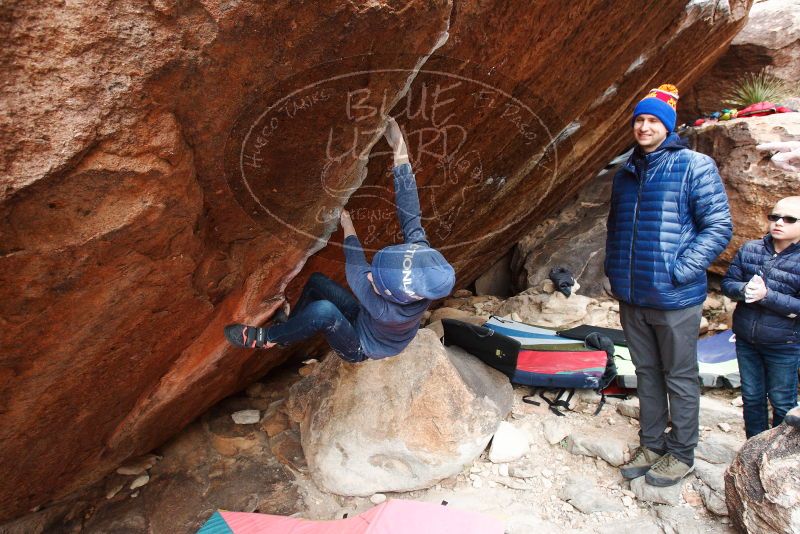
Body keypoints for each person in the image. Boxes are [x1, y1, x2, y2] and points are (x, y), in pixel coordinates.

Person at [224, 118, 455, 362]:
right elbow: (409, 209)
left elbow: (356, 267)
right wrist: (399, 148)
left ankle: (268, 338)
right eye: (374, 272)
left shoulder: (387, 311)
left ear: (397, 296)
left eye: (376, 283)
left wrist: (348, 225)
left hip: (361, 345)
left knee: (324, 311)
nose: (370, 277)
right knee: (316, 282)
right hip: (365, 318)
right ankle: (288, 329)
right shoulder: (421, 259)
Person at [605, 84, 733, 487]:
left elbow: (719, 226)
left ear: (668, 126)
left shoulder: (694, 165)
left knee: (679, 375)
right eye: (639, 120)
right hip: (632, 294)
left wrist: (682, 269)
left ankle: (681, 453)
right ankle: (652, 444)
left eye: (652, 121)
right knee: (645, 372)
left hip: (675, 295)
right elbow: (615, 230)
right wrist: (613, 272)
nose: (644, 127)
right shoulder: (625, 173)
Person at [721, 196, 800, 437]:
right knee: (752, 398)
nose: (779, 223)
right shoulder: (750, 249)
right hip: (746, 339)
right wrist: (743, 290)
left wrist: (767, 296)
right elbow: (727, 283)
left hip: (784, 344)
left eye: (789, 219)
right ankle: (751, 450)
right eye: (774, 217)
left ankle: (777, 455)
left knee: (782, 401)